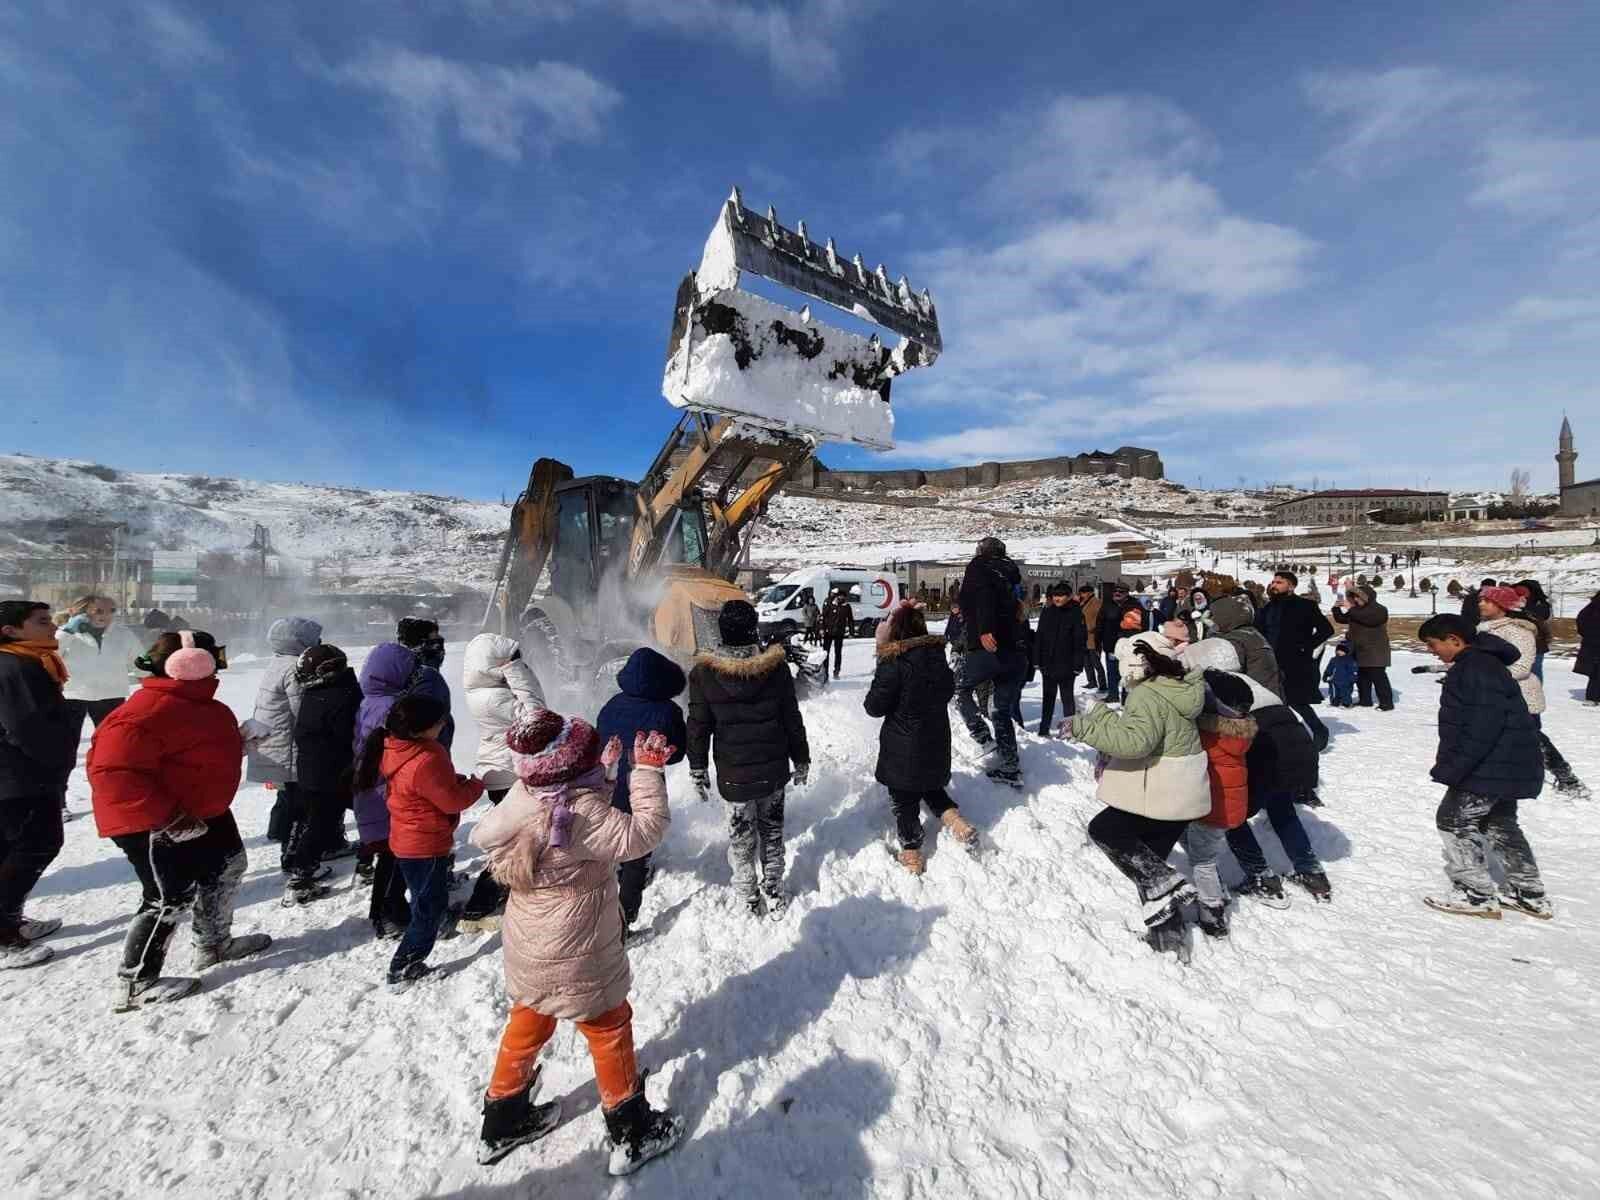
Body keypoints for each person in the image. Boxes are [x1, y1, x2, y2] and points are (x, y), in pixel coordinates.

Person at [472, 715, 682, 1175]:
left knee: (530, 1016)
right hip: (578, 948)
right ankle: (632, 1130)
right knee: (609, 1026)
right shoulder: (580, 811)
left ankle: (502, 1118)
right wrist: (645, 771)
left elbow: (575, 823)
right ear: (569, 770)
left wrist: (603, 776)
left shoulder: (525, 795)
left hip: (531, 945)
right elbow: (637, 834)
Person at [89, 630, 271, 1009]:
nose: (220, 662)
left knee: (228, 867)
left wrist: (240, 742)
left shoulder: (201, 704)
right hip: (160, 822)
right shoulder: (143, 713)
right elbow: (113, 774)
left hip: (206, 810)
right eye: (214, 655)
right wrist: (168, 818)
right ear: (192, 663)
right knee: (167, 899)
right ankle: (137, 982)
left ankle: (213, 944)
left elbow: (192, 752)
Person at [1062, 633, 1210, 957]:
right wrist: (1101, 715)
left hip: (1160, 792)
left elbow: (1135, 744)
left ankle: (1167, 883)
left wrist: (1084, 727)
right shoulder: (1177, 687)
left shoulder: (1146, 694)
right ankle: (1168, 940)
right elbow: (1141, 732)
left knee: (1105, 830)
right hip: (1185, 793)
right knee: (1147, 863)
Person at [1416, 615, 1550, 919]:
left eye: (1433, 644)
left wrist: (1455, 768)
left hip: (1490, 763)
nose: (1431, 651)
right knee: (1500, 824)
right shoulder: (1481, 665)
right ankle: (1529, 893)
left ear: (1454, 640)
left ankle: (1475, 893)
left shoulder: (1475, 668)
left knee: (1452, 819)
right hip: (1504, 762)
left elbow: (1482, 727)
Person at [688, 600, 810, 918]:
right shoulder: (776, 668)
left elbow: (698, 726)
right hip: (773, 771)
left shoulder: (704, 673)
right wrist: (801, 758)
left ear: (722, 632)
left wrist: (698, 767)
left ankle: (747, 896)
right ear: (753, 629)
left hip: (734, 776)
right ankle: (774, 889)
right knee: (772, 832)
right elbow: (791, 719)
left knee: (741, 838)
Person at [353, 694, 483, 988]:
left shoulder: (394, 746)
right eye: (439, 723)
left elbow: (425, 787)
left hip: (406, 838)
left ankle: (431, 919)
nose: (443, 726)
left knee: (424, 895)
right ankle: (404, 964)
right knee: (428, 906)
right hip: (425, 844)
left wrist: (450, 779)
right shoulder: (426, 758)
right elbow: (451, 801)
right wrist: (476, 784)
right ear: (421, 728)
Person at [863, 603, 976, 875]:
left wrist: (882, 657)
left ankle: (912, 852)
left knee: (904, 799)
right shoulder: (938, 658)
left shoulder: (894, 663)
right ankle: (956, 820)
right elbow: (947, 691)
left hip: (903, 744)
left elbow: (873, 707)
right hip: (935, 739)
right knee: (929, 785)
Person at [0, 601, 76, 968]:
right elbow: (27, 728)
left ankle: (10, 920)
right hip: (21, 777)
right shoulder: (16, 667)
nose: (52, 627)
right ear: (11, 631)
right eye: (42, 622)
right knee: (39, 844)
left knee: (10, 849)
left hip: (20, 775)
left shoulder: (27, 661)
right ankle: (4, 934)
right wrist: (59, 763)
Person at [596, 647, 687, 933]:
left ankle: (602, 906)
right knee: (638, 847)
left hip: (607, 783)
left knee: (610, 844)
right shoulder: (668, 710)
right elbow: (677, 754)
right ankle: (625, 916)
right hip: (643, 786)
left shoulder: (611, 704)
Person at [460, 633, 547, 930]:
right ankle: (480, 907)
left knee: (514, 838)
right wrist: (517, 672)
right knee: (512, 843)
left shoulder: (482, 691)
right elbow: (538, 715)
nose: (520, 662)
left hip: (500, 769)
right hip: (507, 772)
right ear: (497, 665)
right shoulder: (494, 697)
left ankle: (501, 890)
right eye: (514, 659)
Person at [1470, 587, 1589, 799]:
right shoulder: (1484, 630)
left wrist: (1482, 674)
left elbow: (1522, 668)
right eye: (1481, 600)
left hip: (1521, 695)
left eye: (1487, 601)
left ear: (1503, 606)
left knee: (1533, 738)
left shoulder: (1519, 632)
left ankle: (1566, 778)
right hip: (1494, 694)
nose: (1481, 604)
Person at [1226, 672, 1331, 904]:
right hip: (1295, 750)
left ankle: (1261, 878)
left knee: (1231, 816)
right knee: (1281, 808)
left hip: (1263, 751)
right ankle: (1311, 872)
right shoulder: (1253, 682)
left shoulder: (1221, 686)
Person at [353, 642, 433, 938]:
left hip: (373, 792)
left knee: (390, 858)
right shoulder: (391, 709)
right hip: (385, 795)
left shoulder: (369, 702)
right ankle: (389, 914)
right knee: (394, 858)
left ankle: (383, 910)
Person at [1178, 644, 1257, 939]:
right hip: (1225, 806)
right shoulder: (1236, 731)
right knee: (1193, 843)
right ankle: (1218, 892)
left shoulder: (1212, 735)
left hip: (1213, 809)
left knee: (1203, 863)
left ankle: (1213, 914)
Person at [284, 644, 363, 904]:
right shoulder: (344, 694)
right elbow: (349, 737)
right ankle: (302, 875)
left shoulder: (318, 693)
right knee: (329, 821)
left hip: (315, 772)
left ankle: (306, 867)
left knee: (320, 822)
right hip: (335, 772)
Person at [243, 616, 322, 871]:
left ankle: (280, 833)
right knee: (300, 801)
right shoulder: (294, 668)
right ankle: (293, 857)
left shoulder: (278, 662)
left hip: (274, 740)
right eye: (314, 640)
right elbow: (302, 709)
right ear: (300, 642)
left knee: (288, 795)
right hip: (286, 744)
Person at [952, 537, 1026, 787]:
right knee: (999, 708)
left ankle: (983, 737)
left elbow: (984, 598)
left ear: (982, 552)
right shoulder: (1011, 573)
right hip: (1013, 650)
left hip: (988, 646)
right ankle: (1010, 765)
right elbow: (1017, 607)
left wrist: (984, 629)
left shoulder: (978, 567)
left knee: (959, 690)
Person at [55, 595, 141, 788]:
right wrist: (68, 631)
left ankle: (110, 790)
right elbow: (50, 655)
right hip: (72, 696)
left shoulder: (123, 634)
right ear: (82, 612)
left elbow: (140, 660)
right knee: (65, 750)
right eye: (99, 611)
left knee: (113, 748)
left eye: (111, 611)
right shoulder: (65, 634)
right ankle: (59, 799)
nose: (106, 616)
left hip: (111, 696)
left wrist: (155, 675)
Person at [1256, 571, 1335, 750]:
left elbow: (1326, 629)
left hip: (1295, 662)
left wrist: (1305, 646)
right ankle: (1282, 737)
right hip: (1269, 662)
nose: (1274, 585)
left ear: (1291, 586)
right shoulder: (1267, 609)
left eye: (1279, 582)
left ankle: (1319, 729)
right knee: (1272, 701)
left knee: (1296, 701)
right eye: (1273, 582)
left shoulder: (1305, 606)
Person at [1034, 583, 1086, 736]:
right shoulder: (1047, 612)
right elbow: (1039, 637)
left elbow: (1079, 641)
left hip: (1067, 664)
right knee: (1048, 698)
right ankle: (1044, 729)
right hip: (1048, 664)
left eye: (1061, 595)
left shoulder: (1076, 613)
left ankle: (1068, 731)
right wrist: (1036, 660)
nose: (1057, 598)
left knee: (1067, 699)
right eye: (1055, 595)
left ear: (1069, 596)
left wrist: (1078, 664)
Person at [1208, 593, 1284, 698]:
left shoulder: (1234, 640)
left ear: (1224, 616)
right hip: (1269, 693)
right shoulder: (1250, 633)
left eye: (1213, 615)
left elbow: (1223, 671)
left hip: (1255, 699)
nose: (1211, 620)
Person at [1331, 585, 1393, 709]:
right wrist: (1336, 608)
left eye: (1358, 597)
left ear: (1366, 597)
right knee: (1362, 677)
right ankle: (1365, 700)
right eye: (1354, 598)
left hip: (1375, 650)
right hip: (1358, 649)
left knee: (1378, 677)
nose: (1355, 600)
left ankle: (1386, 703)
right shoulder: (1356, 610)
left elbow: (1369, 620)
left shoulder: (1379, 609)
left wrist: (1351, 609)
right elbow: (1342, 619)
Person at [1096, 584, 1142, 699]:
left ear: (1127, 593)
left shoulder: (1134, 605)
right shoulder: (1107, 605)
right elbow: (1099, 624)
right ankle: (1113, 695)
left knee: (1127, 672)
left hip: (1128, 645)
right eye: (1115, 591)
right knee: (1112, 672)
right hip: (1111, 644)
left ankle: (1127, 697)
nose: (1117, 593)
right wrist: (1098, 642)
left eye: (1121, 591)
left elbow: (1143, 624)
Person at [1510, 580, 1552, 681]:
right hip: (1514, 642)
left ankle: (1535, 693)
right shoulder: (1511, 604)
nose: (1520, 595)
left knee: (1534, 672)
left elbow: (1543, 615)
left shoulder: (1541, 604)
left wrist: (1525, 607)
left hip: (1536, 644)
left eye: (1523, 592)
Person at [1077, 585, 1107, 692]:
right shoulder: (1083, 602)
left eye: (1082, 593)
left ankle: (1102, 684)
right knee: (1086, 662)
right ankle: (1092, 681)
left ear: (1089, 593)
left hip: (1093, 637)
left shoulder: (1096, 603)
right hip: (1083, 637)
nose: (1081, 595)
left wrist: (1089, 627)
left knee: (1096, 662)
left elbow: (1099, 619)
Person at [819, 590, 851, 682]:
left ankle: (836, 671)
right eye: (840, 596)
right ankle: (825, 673)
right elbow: (823, 617)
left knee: (838, 653)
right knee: (825, 653)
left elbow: (850, 619)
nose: (842, 598)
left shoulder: (847, 607)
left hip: (839, 633)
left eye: (843, 597)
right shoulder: (830, 604)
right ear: (837, 597)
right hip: (828, 632)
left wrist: (851, 631)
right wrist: (822, 628)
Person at [1578, 590, 1600, 707]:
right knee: (1596, 672)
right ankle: (1592, 697)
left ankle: (1592, 697)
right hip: (1594, 644)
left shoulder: (1591, 606)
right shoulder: (1593, 607)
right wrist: (1590, 635)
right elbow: (1581, 621)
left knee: (1596, 672)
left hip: (1593, 644)